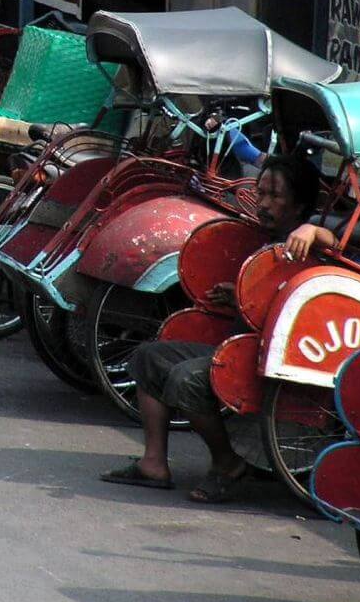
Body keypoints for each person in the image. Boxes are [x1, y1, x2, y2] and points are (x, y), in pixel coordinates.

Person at [100, 153, 333, 502]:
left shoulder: (304, 243)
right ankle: (153, 464)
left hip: (267, 361)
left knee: (185, 379)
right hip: (236, 347)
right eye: (262, 193)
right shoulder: (267, 238)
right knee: (148, 357)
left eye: (275, 196)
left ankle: (227, 464)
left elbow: (339, 245)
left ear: (299, 205)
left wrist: (313, 229)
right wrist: (237, 298)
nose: (264, 204)